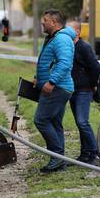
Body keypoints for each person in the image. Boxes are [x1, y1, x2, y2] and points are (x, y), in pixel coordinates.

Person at [33, 9, 75, 173]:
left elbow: (64, 63)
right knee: (55, 123)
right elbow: (49, 61)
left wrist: (51, 82)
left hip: (57, 88)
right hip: (58, 87)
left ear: (54, 22)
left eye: (45, 20)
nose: (42, 22)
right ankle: (59, 160)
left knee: (41, 120)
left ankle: (57, 157)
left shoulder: (61, 39)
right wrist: (38, 77)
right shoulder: (53, 38)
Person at [67, 20, 100, 165]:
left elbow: (96, 68)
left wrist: (93, 85)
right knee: (79, 123)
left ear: (78, 32)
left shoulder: (84, 47)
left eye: (70, 29)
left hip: (84, 90)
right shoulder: (66, 47)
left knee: (82, 122)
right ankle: (84, 154)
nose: (66, 32)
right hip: (71, 90)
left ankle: (95, 153)